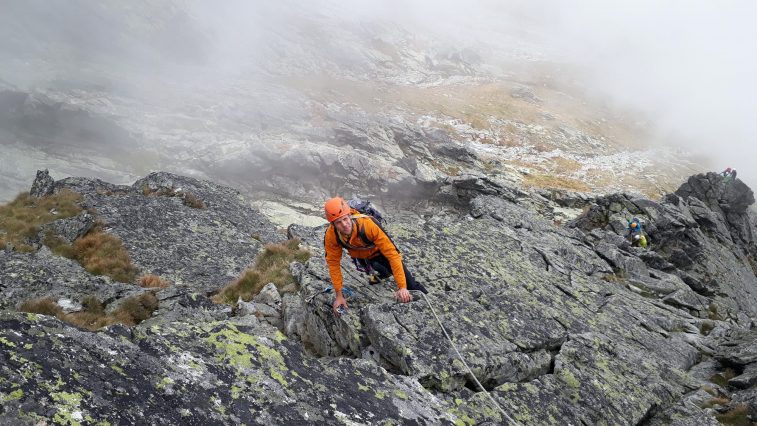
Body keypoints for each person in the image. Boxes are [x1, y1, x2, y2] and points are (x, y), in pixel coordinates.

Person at [323, 197, 427, 316]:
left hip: (381, 252)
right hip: (362, 257)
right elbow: (333, 264)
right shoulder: (331, 236)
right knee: (377, 267)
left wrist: (402, 287)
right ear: (333, 224)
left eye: (345, 219)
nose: (344, 225)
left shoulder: (367, 225)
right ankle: (383, 273)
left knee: (411, 284)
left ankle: (428, 298)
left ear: (350, 215)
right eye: (339, 222)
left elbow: (393, 255)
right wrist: (339, 296)